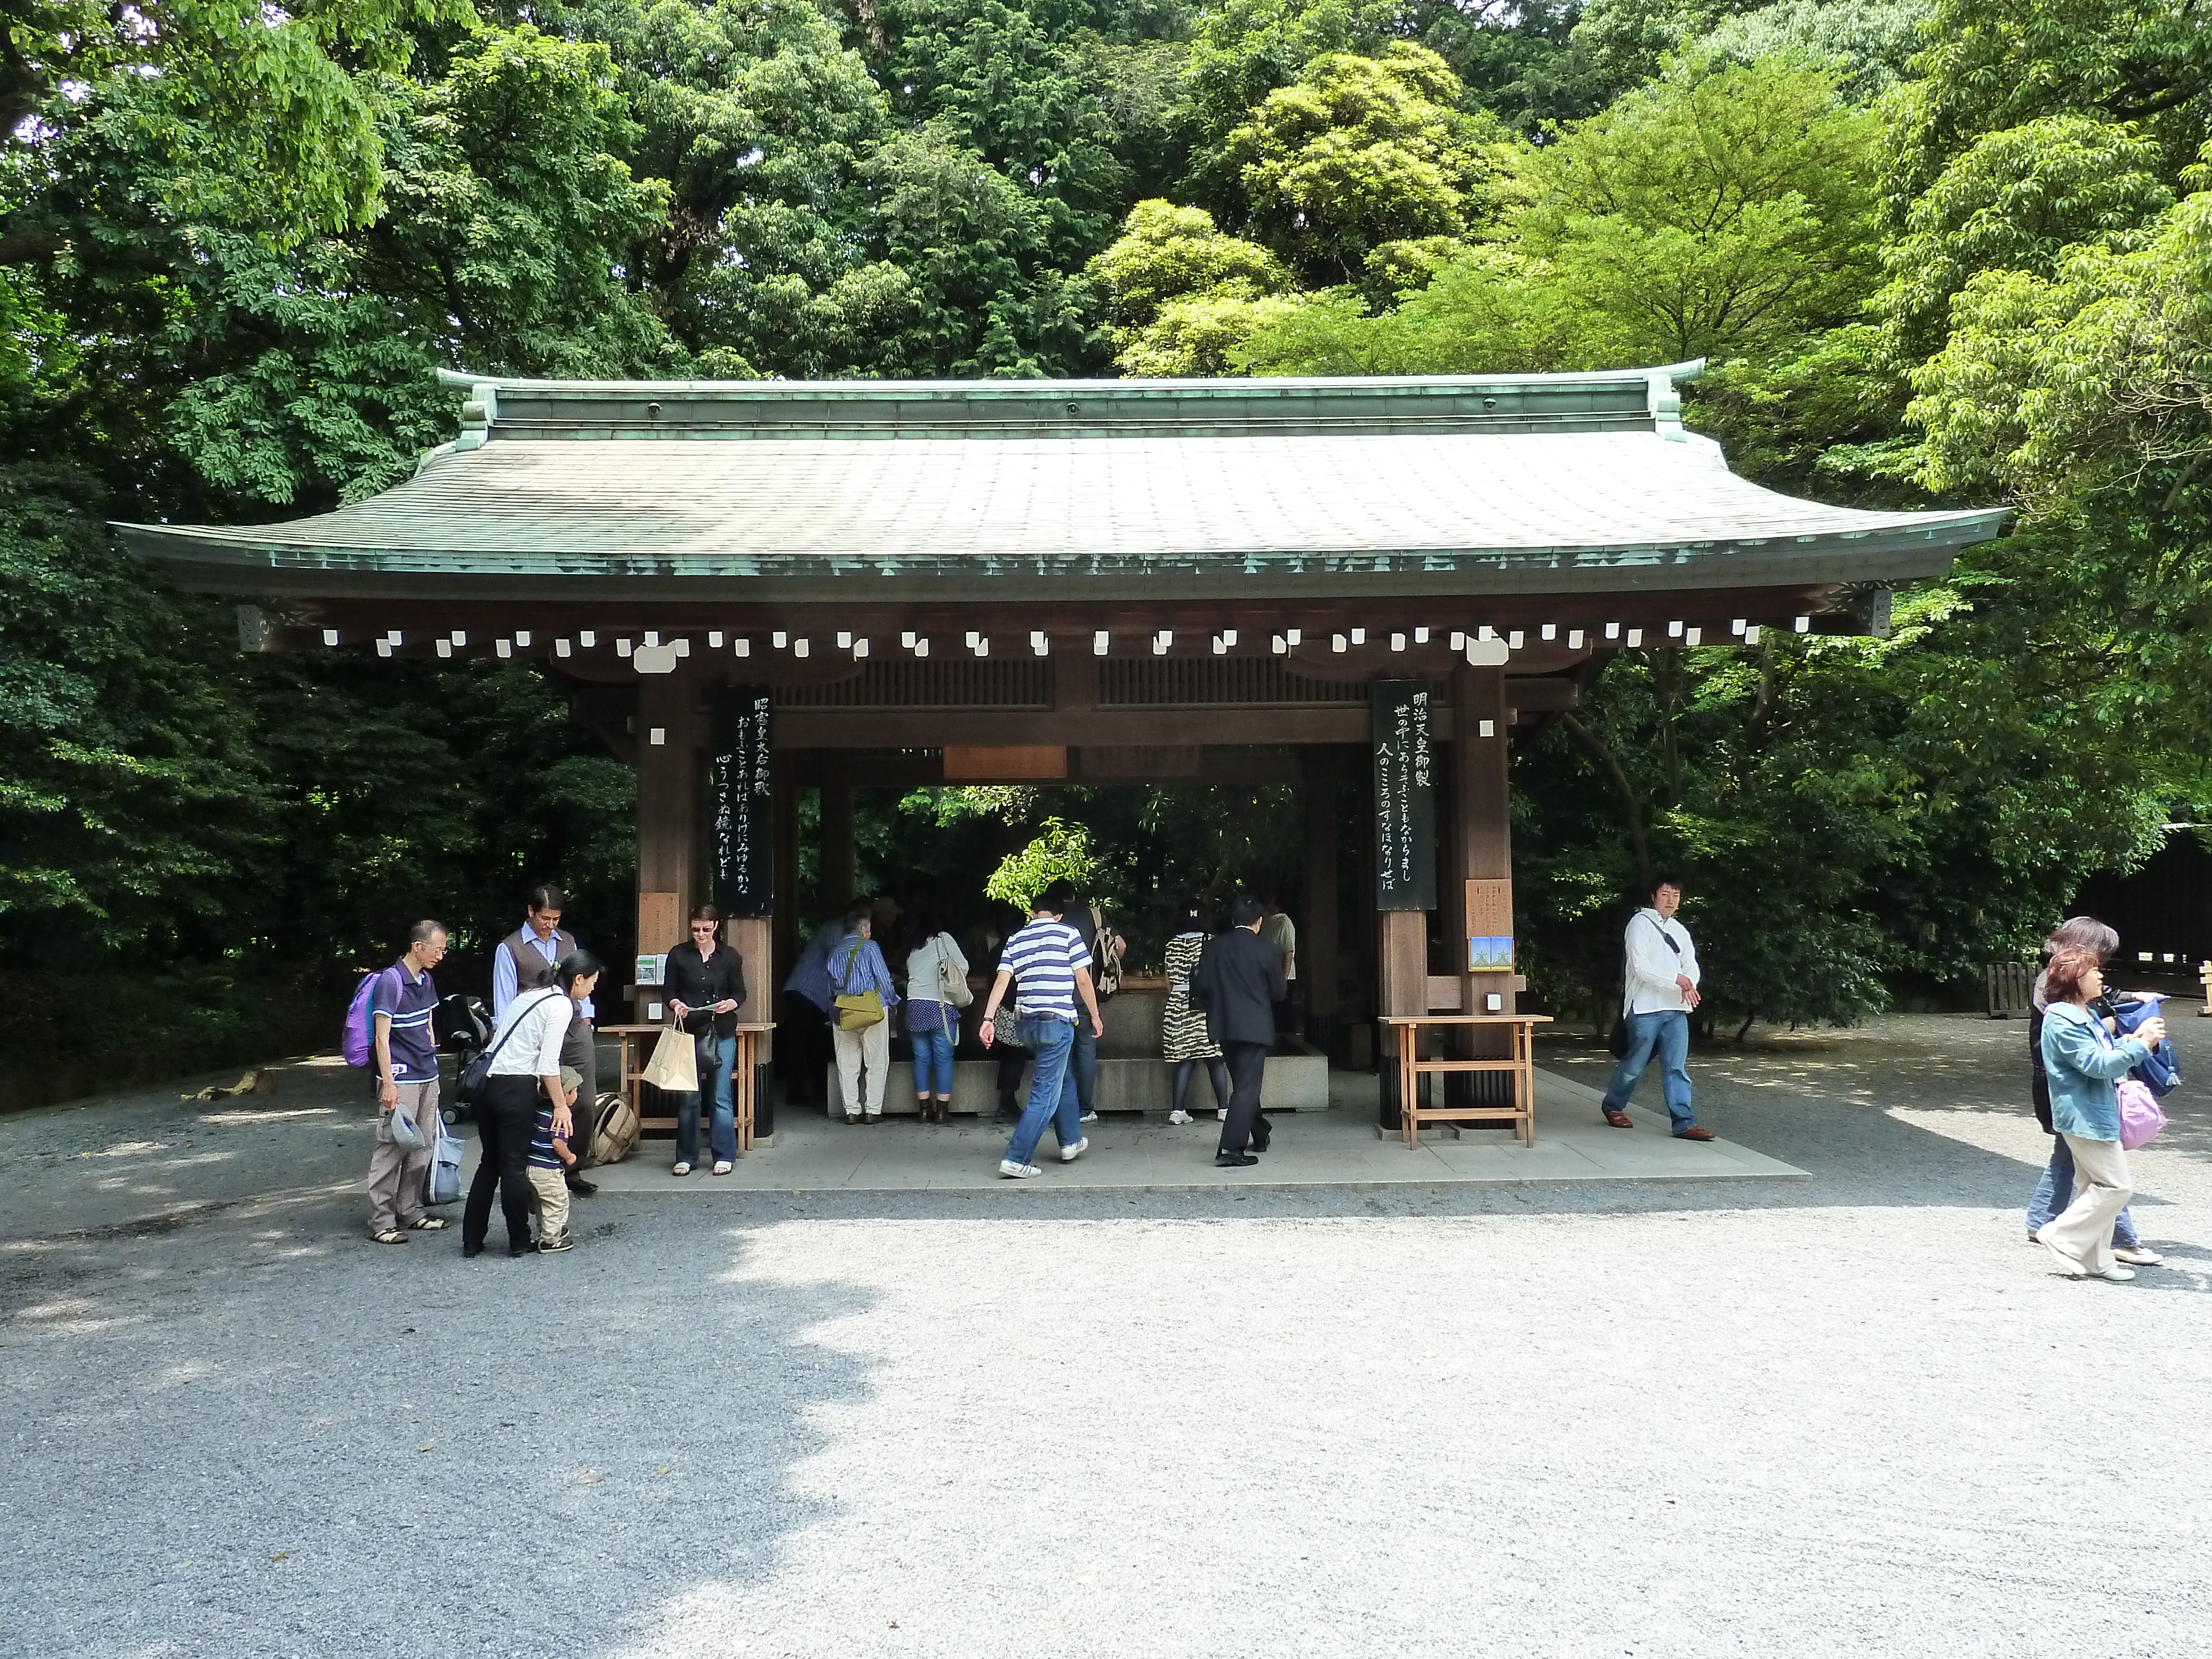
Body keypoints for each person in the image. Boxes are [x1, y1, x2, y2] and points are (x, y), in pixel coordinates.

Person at [2026, 917, 2158, 1265]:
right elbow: (2095, 1062)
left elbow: (2103, 1032)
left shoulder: (2075, 997)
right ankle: (2072, 1235)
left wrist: (2126, 1033)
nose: (2103, 972)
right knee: (2113, 1184)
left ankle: (2094, 1257)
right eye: (2099, 964)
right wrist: (2138, 1044)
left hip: (2083, 1098)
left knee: (2079, 1170)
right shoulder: (2062, 1006)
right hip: (2079, 1099)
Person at [466, 950, 598, 1258]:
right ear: (578, 979)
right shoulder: (561, 1004)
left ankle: (472, 1240)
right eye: (592, 982)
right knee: (513, 1167)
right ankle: (518, 1241)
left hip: (487, 1084)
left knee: (490, 1165)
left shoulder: (530, 995)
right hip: (515, 1087)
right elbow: (548, 1064)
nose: (592, 989)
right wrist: (561, 1106)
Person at [979, 891, 1103, 1177]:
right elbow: (1083, 979)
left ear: (1033, 913)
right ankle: (1016, 1157)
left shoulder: (1016, 938)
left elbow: (1002, 981)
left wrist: (988, 1018)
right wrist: (1095, 1016)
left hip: (1025, 1024)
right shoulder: (1069, 934)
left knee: (1062, 1076)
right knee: (1043, 1094)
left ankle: (1071, 1140)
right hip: (1056, 1022)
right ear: (1059, 915)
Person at [493, 884, 600, 1196]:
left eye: (555, 918)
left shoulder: (567, 941)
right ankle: (538, 1169)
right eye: (545, 918)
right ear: (531, 912)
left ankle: (572, 1168)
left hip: (575, 1025)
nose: (550, 924)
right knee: (538, 1100)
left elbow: (584, 977)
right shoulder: (510, 948)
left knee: (584, 1100)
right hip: (535, 1030)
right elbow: (504, 1002)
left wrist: (588, 1017)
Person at [1598, 876, 1715, 1141]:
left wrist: (1689, 983)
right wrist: (1677, 980)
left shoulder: (1680, 930)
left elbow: (1691, 964)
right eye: (1665, 894)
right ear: (1653, 897)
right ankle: (1614, 1105)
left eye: (1675, 895)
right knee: (1635, 1063)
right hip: (1645, 1007)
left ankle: (1684, 1123)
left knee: (1677, 1067)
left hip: (1676, 1007)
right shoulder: (1640, 924)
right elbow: (1640, 967)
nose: (1671, 899)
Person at [366, 920, 449, 1244]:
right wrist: (388, 1083)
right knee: (392, 1148)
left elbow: (428, 1022)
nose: (441, 956)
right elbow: (382, 1039)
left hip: (428, 1074)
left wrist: (433, 1055)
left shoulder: (425, 979)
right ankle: (382, 1221)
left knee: (422, 1146)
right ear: (418, 946)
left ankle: (411, 1210)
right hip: (401, 1079)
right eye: (437, 949)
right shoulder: (390, 982)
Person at [1191, 894, 1286, 1167]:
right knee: (1247, 1087)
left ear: (1233, 921)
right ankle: (1231, 1149)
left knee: (1244, 1084)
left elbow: (1202, 987)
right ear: (1259, 922)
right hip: (1255, 1027)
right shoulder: (1267, 950)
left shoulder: (1214, 948)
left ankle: (1260, 1132)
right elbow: (1280, 992)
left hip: (1223, 1026)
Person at [665, 905, 747, 1176]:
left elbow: (740, 992)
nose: (700, 934)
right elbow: (669, 991)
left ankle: (724, 1155)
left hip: (720, 1028)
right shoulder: (678, 954)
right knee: (688, 1097)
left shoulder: (730, 956)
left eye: (706, 929)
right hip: (688, 1031)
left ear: (716, 926)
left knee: (720, 1096)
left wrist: (731, 1003)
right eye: (696, 929)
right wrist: (676, 1004)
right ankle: (686, 1157)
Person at [1041, 879, 1124, 1125]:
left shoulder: (1048, 921)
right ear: (1074, 895)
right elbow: (1121, 946)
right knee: (1086, 1053)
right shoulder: (1093, 916)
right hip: (1086, 998)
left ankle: (1059, 1108)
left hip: (1054, 998)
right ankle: (1085, 1109)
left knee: (1059, 1054)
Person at [1161, 902, 1230, 1126]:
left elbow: (1168, 983)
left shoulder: (1171, 944)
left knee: (1185, 1060)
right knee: (1215, 1059)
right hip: (1206, 1008)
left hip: (1178, 1007)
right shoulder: (1211, 942)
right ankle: (1224, 1108)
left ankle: (1177, 1110)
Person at [828, 904, 899, 1123]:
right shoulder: (870, 947)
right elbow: (884, 979)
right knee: (876, 1061)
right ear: (864, 929)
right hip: (872, 1008)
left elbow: (830, 985)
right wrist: (893, 1000)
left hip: (843, 1010)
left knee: (847, 1062)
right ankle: (872, 1111)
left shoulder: (835, 951)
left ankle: (851, 1111)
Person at [904, 912, 970, 1124]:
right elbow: (964, 966)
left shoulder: (912, 947)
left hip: (914, 1005)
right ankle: (942, 1111)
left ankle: (924, 1110)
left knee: (921, 1058)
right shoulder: (944, 939)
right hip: (941, 1005)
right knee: (943, 1058)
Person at [779, 913, 842, 1109]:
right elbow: (836, 959)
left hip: (813, 995)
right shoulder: (836, 928)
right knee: (804, 1046)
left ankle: (810, 1094)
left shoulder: (835, 927)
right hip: (806, 992)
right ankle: (800, 1094)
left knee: (811, 1046)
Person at [526, 1066, 582, 1253]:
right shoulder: (560, 1117)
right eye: (574, 1091)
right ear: (564, 1094)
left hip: (532, 1165)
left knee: (542, 1203)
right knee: (557, 1201)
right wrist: (570, 1157)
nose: (577, 1095)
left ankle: (547, 1231)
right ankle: (551, 1240)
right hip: (548, 1169)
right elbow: (558, 1143)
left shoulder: (540, 1110)